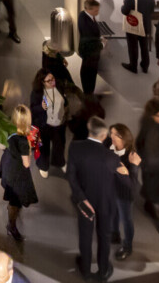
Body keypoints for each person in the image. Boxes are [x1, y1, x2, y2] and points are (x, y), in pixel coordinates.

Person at [66, 117, 121, 282]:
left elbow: (71, 176)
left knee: (85, 234)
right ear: (104, 136)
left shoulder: (75, 148)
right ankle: (103, 270)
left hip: (85, 200)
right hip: (106, 201)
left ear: (89, 129)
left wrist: (81, 198)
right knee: (104, 235)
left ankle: (85, 269)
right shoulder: (111, 157)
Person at [0, 104, 39, 242]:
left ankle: (11, 211)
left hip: (8, 167)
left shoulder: (9, 130)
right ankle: (11, 225)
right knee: (16, 199)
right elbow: (26, 163)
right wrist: (30, 150)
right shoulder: (22, 141)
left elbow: (2, 146)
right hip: (17, 174)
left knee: (12, 197)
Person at [110, 123, 142, 261]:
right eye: (111, 133)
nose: (112, 136)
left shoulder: (131, 156)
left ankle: (128, 246)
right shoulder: (108, 148)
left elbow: (133, 185)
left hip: (125, 195)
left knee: (126, 219)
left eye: (116, 135)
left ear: (125, 139)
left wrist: (132, 168)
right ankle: (115, 234)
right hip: (111, 190)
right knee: (113, 214)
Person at [30, 68, 67, 176]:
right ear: (42, 82)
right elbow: (32, 110)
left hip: (59, 124)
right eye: (49, 81)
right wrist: (41, 107)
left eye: (53, 79)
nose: (52, 82)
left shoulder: (58, 86)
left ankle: (60, 162)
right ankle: (43, 166)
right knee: (43, 148)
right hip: (44, 126)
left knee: (59, 145)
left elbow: (64, 101)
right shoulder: (36, 93)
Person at [120, 0, 156, 74]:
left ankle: (133, 66)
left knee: (133, 46)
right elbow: (152, 10)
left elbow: (125, 11)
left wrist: (123, 5)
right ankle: (145, 66)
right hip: (146, 25)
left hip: (134, 25)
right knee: (144, 46)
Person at [77, 0, 105, 95]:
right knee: (88, 71)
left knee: (92, 71)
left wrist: (100, 37)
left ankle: (90, 91)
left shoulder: (88, 15)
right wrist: (102, 44)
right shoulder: (84, 19)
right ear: (88, 9)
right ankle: (88, 92)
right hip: (89, 50)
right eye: (96, 10)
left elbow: (94, 32)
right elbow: (89, 39)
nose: (97, 12)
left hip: (92, 49)